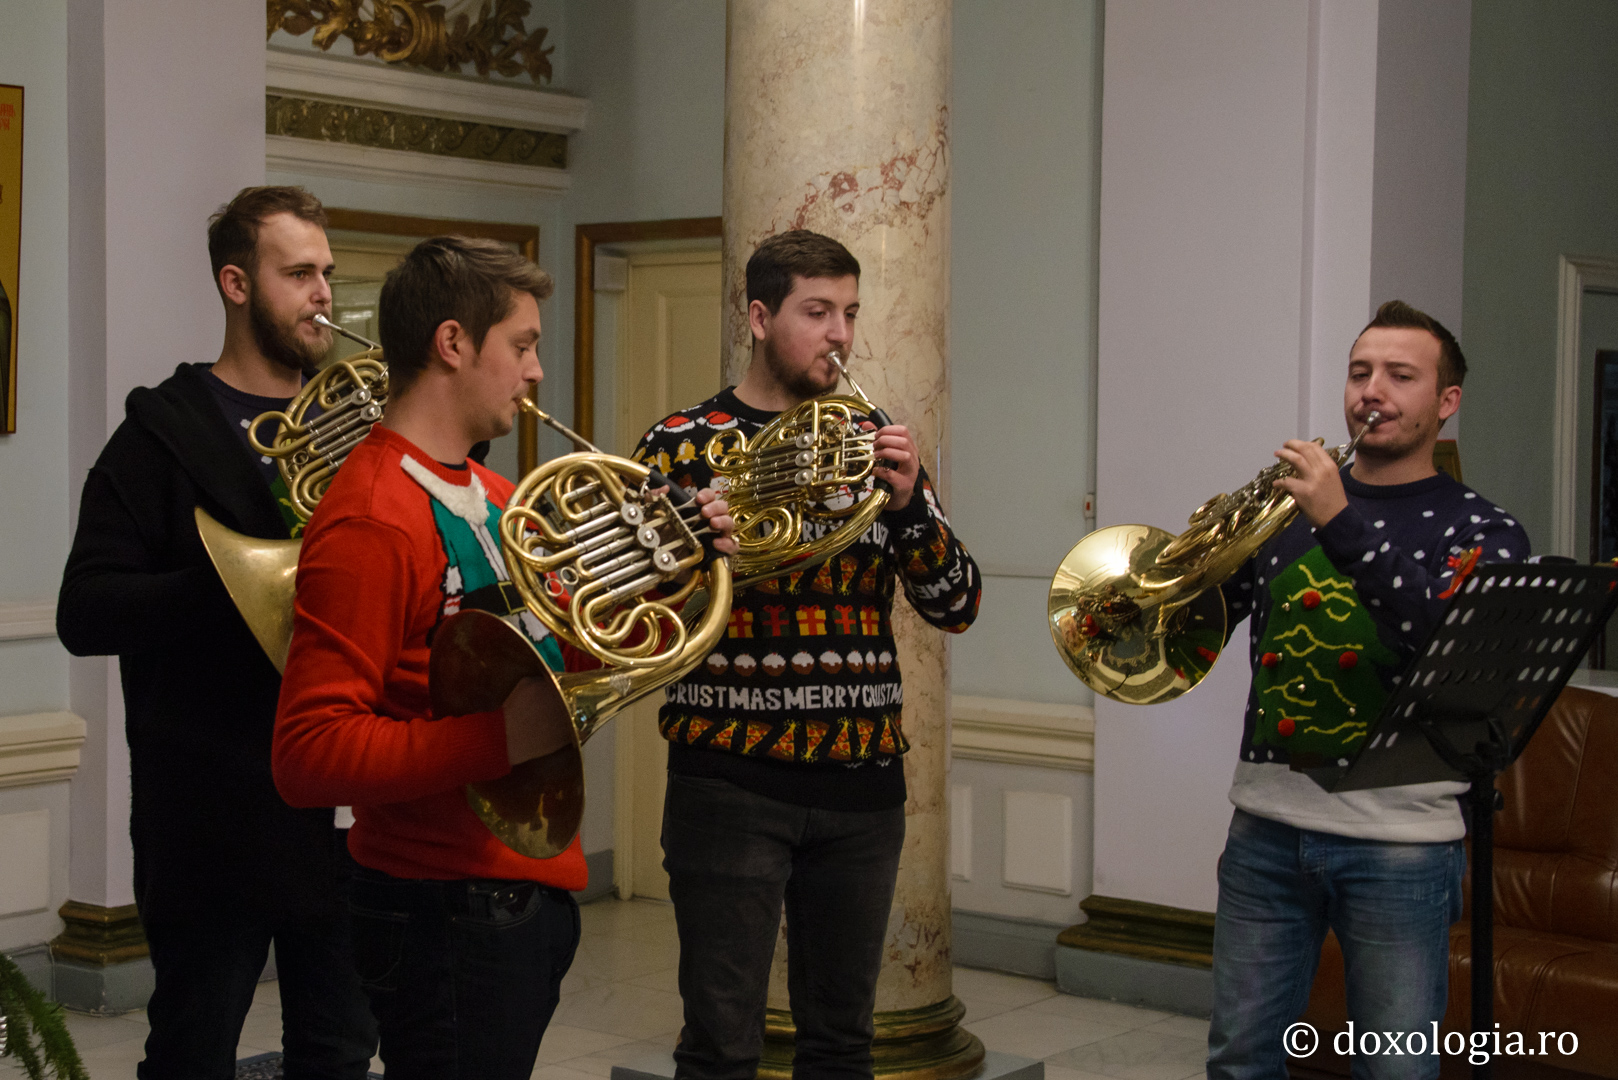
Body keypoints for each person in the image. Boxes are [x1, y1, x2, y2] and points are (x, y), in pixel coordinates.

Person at [270, 235, 736, 1080]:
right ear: (453, 344)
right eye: (521, 346)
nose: (535, 373)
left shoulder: (495, 498)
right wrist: (500, 738)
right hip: (438, 907)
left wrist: (670, 563)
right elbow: (308, 756)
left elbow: (562, 660)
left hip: (514, 896)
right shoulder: (372, 516)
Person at [632, 229, 982, 1080]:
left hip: (862, 783)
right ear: (759, 316)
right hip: (728, 782)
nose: (840, 336)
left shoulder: (872, 444)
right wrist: (687, 549)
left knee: (841, 1043)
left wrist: (908, 508)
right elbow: (639, 621)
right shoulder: (681, 442)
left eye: (851, 314)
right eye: (817, 312)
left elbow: (957, 603)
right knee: (719, 1044)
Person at [57, 185, 376, 1080]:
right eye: (298, 273)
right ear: (236, 284)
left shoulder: (357, 432)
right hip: (208, 810)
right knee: (194, 1048)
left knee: (342, 1048)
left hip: (341, 803)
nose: (322, 293)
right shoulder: (158, 438)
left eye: (327, 273)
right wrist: (241, 582)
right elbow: (84, 612)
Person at [1206, 300, 1532, 1080]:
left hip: (1401, 844)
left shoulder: (1483, 531)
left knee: (1395, 1070)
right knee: (1240, 1058)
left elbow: (1451, 657)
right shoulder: (1282, 514)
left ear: (1445, 403)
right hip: (1265, 828)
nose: (1371, 392)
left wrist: (1340, 521)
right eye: (1360, 374)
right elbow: (1203, 628)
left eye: (1400, 376)